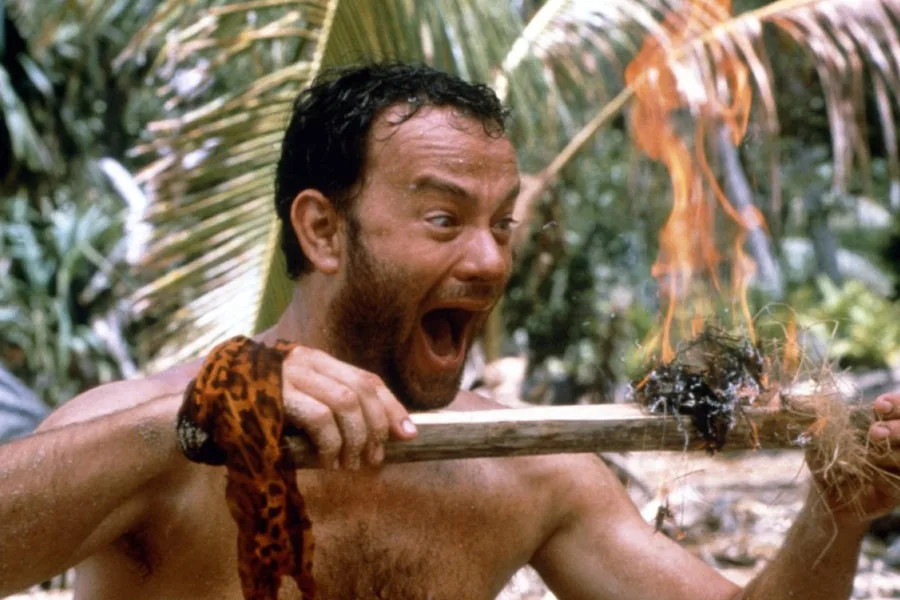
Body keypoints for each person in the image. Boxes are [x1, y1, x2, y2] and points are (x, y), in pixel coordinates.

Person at [1, 62, 899, 600]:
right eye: (443, 220)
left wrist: (837, 511)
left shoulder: (529, 470)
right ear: (322, 232)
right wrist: (183, 425)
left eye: (502, 223)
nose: (490, 259)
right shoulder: (161, 433)